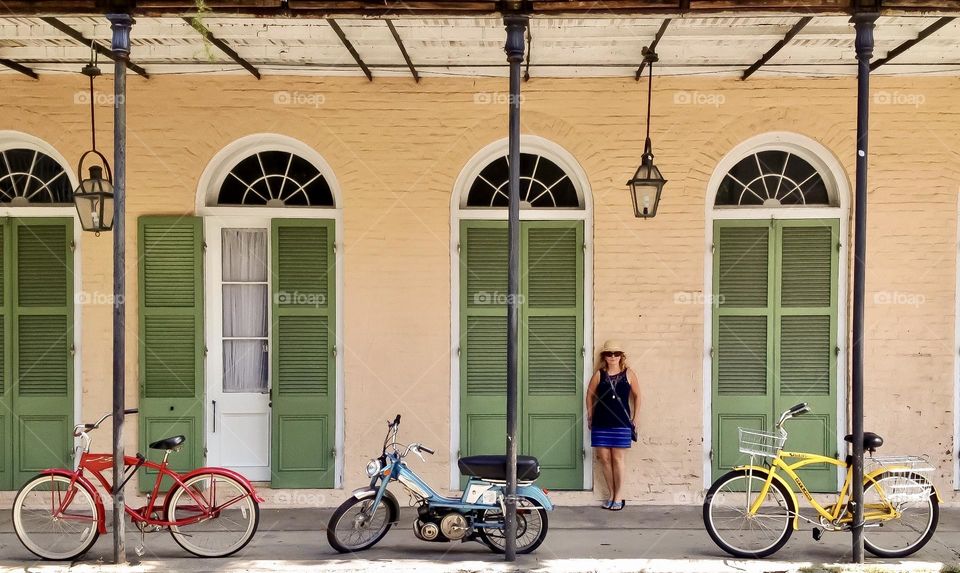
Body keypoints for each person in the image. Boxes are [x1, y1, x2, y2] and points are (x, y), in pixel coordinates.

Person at [586, 340, 640, 511]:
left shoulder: (629, 374)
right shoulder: (599, 375)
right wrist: (590, 415)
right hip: (601, 422)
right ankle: (611, 494)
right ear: (604, 356)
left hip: (621, 423)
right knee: (605, 459)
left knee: (618, 459)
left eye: (616, 353)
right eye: (609, 354)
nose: (613, 357)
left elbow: (638, 396)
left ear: (621, 356)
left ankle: (619, 496)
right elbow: (589, 395)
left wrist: (635, 418)